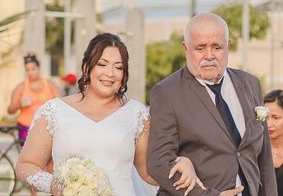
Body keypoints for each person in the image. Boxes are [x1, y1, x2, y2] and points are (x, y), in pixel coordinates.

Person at [15, 33, 204, 196]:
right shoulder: (54, 111)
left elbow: (149, 172)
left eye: (119, 67)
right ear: (87, 67)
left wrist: (182, 161)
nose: (110, 73)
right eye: (102, 64)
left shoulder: (137, 114)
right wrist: (56, 185)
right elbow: (25, 166)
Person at [147, 13, 277, 196]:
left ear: (228, 47)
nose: (209, 55)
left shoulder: (250, 84)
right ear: (186, 49)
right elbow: (159, 163)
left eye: (216, 47)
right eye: (200, 48)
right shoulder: (167, 92)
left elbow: (264, 158)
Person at [7, 53, 60, 145]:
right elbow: (10, 110)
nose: (30, 72)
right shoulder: (21, 87)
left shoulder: (50, 85)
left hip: (47, 127)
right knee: (28, 157)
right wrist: (20, 104)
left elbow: (61, 104)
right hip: (26, 127)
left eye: (33, 69)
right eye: (27, 70)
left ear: (38, 69)